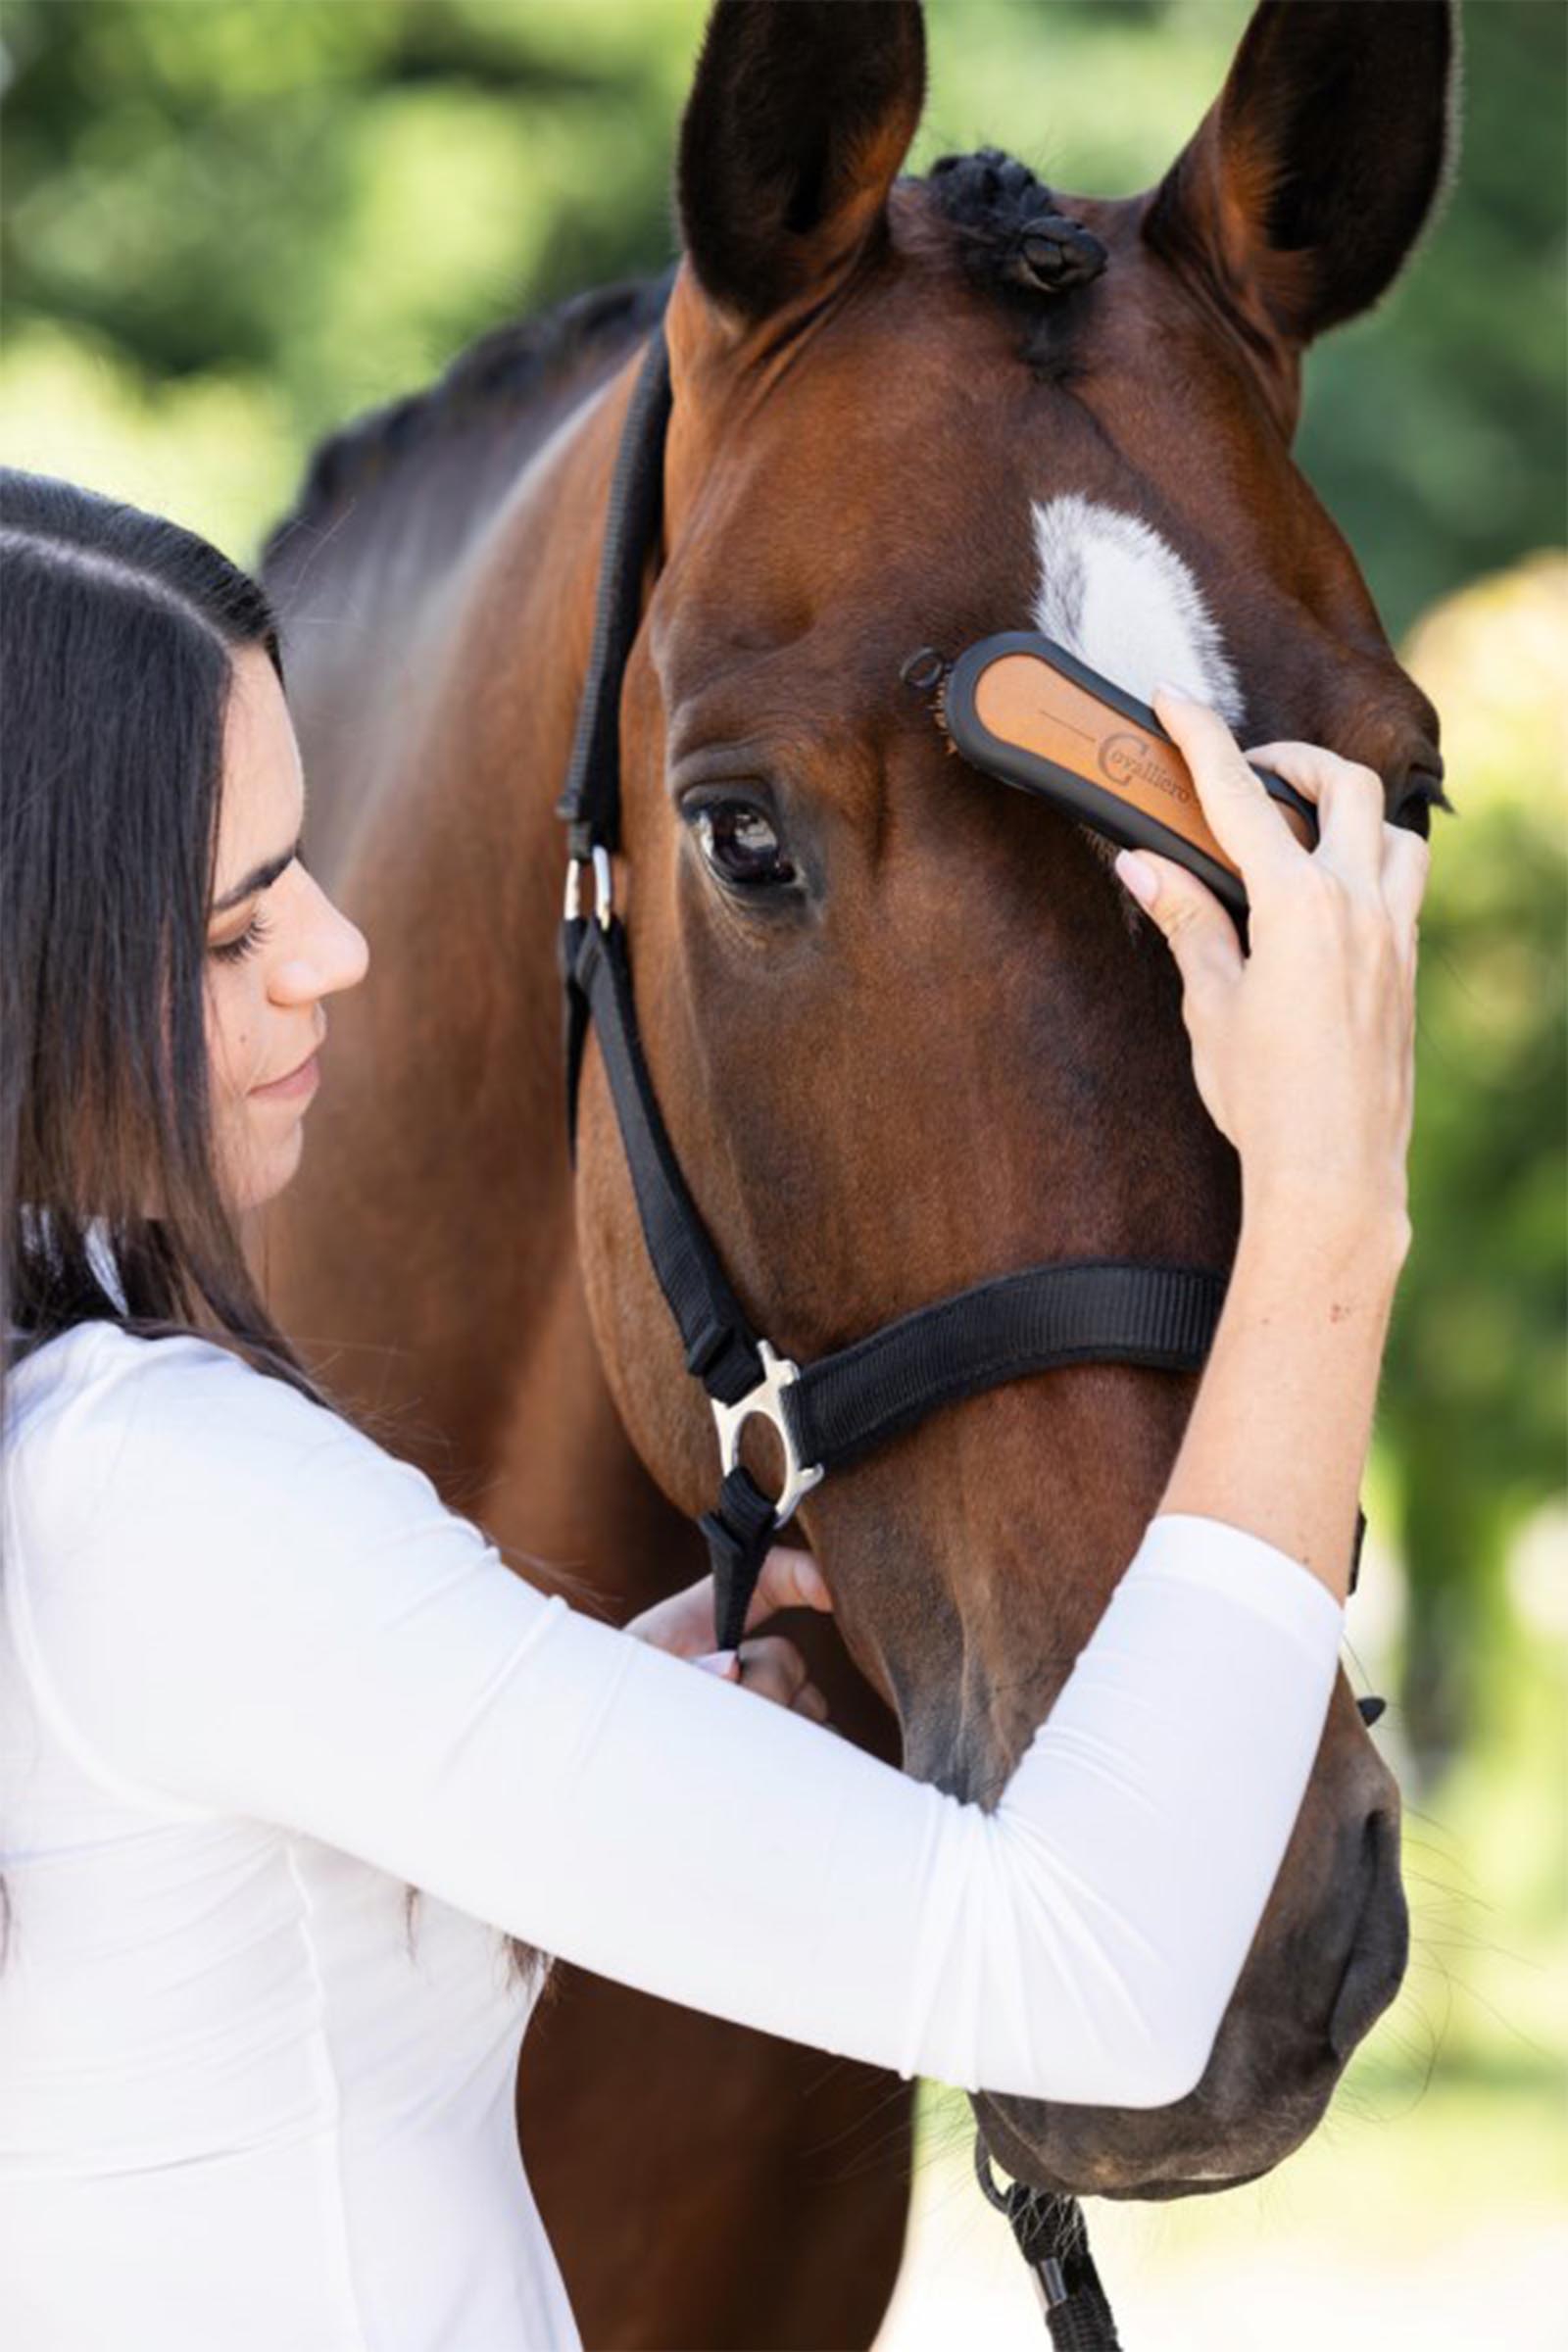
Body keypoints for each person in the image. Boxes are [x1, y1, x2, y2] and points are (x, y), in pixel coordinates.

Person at [0, 468, 1427, 2351]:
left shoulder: (70, 1444)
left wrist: (573, 1724)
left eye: (305, 869)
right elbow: (1092, 1981)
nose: (337, 953)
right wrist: (1328, 1200)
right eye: (232, 931)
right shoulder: (157, 1491)